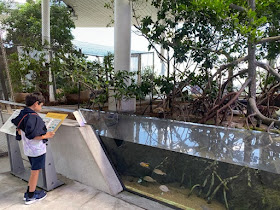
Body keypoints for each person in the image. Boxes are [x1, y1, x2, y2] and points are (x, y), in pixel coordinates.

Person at [11, 92, 55, 205]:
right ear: (36, 104)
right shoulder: (33, 117)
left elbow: (19, 128)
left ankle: (30, 191)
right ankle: (31, 196)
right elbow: (33, 135)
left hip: (28, 149)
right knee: (35, 172)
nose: (41, 107)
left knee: (34, 170)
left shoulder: (24, 113)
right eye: (41, 105)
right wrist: (46, 135)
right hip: (37, 150)